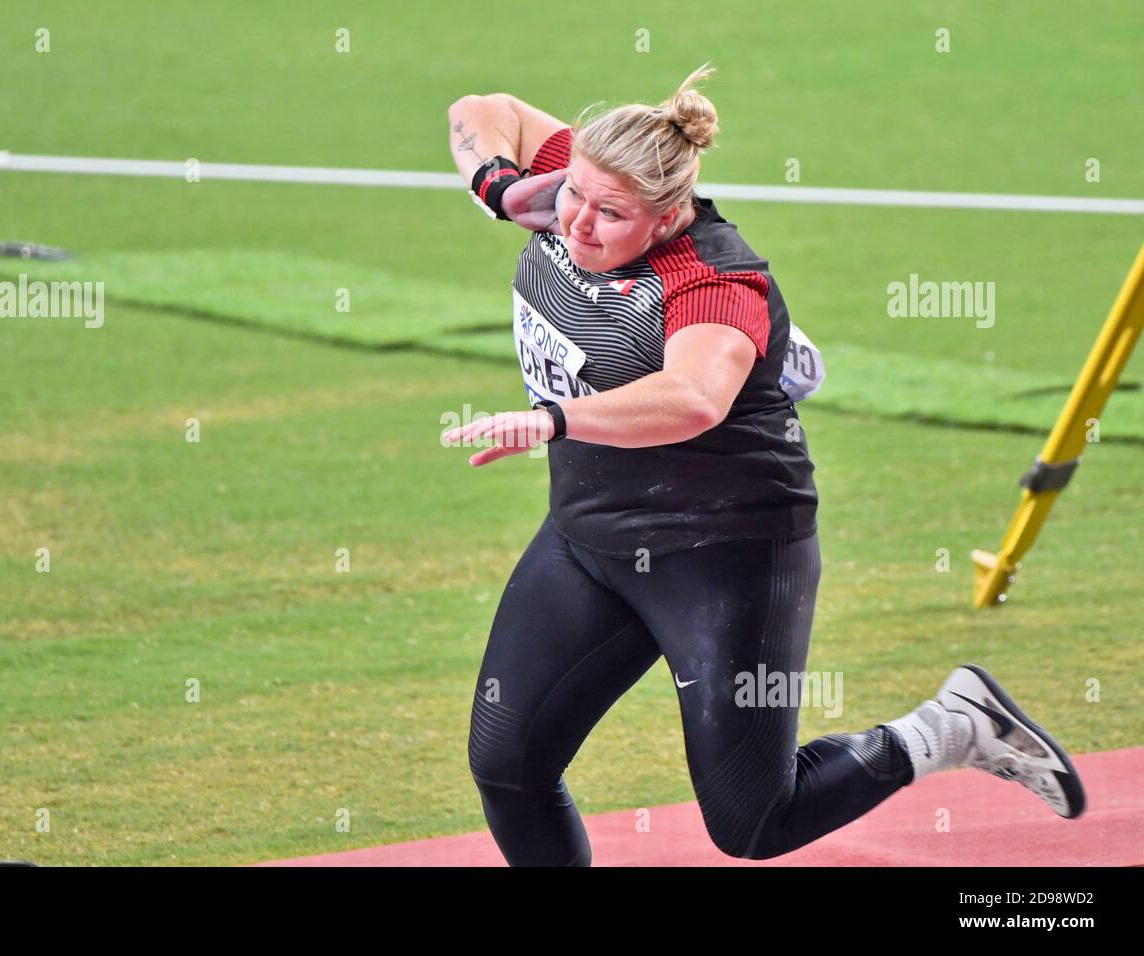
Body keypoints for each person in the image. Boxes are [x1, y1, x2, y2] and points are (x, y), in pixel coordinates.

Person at [443, 64, 1085, 866]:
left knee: (752, 822)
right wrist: (505, 187)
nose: (577, 223)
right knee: (506, 766)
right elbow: (481, 107)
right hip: (589, 534)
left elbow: (693, 399)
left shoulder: (714, 278)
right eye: (573, 194)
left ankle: (952, 725)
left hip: (725, 551)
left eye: (612, 214)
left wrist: (553, 420)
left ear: (670, 215)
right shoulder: (581, 181)